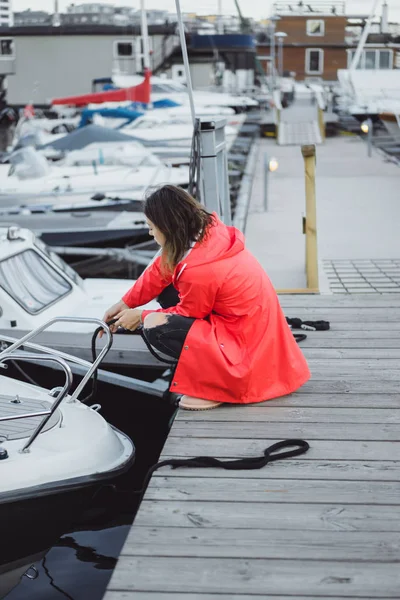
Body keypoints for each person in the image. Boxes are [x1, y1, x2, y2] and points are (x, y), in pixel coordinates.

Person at [102, 184, 310, 410]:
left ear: (168, 227)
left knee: (157, 327)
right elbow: (160, 270)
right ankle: (209, 371)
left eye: (152, 227)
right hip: (248, 331)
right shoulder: (206, 233)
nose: (150, 233)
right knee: (164, 298)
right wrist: (124, 304)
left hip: (243, 347)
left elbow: (187, 314)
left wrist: (141, 317)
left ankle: (219, 387)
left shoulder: (199, 270)